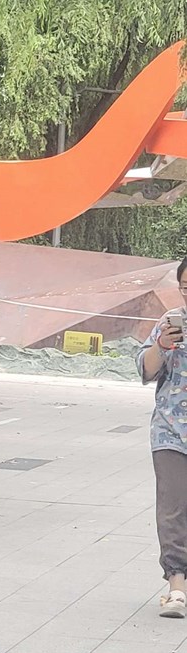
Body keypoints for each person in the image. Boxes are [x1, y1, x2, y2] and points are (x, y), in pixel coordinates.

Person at [137, 256, 187, 619]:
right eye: (186, 287)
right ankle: (177, 587)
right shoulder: (169, 322)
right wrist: (162, 346)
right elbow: (145, 369)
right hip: (171, 431)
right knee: (172, 510)